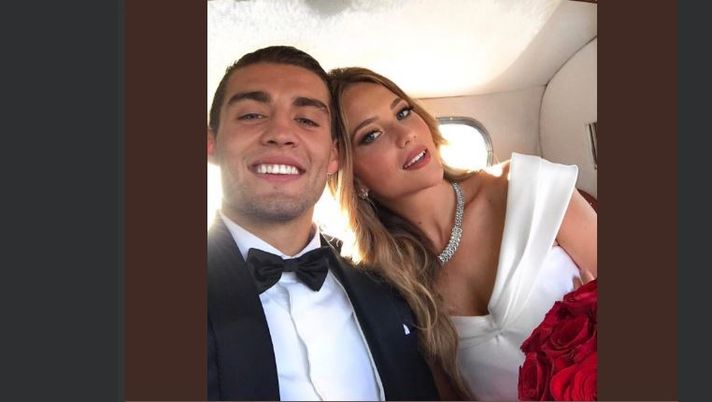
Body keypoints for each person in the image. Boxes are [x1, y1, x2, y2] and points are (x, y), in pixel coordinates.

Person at [327, 67, 598, 400]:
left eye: (403, 112)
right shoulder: (388, 283)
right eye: (371, 135)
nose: (405, 134)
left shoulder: (529, 186)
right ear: (352, 177)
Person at [206, 47, 440, 401]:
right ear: (211, 143)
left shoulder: (387, 280)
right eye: (252, 115)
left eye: (306, 120)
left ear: (334, 155)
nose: (280, 133)